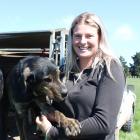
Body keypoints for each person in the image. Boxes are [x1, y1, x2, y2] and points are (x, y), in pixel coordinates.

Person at [36, 12, 125, 140]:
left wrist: (52, 132)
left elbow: (103, 123)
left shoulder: (110, 68)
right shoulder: (65, 70)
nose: (82, 42)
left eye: (89, 36)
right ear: (72, 39)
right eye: (78, 36)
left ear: (99, 38)